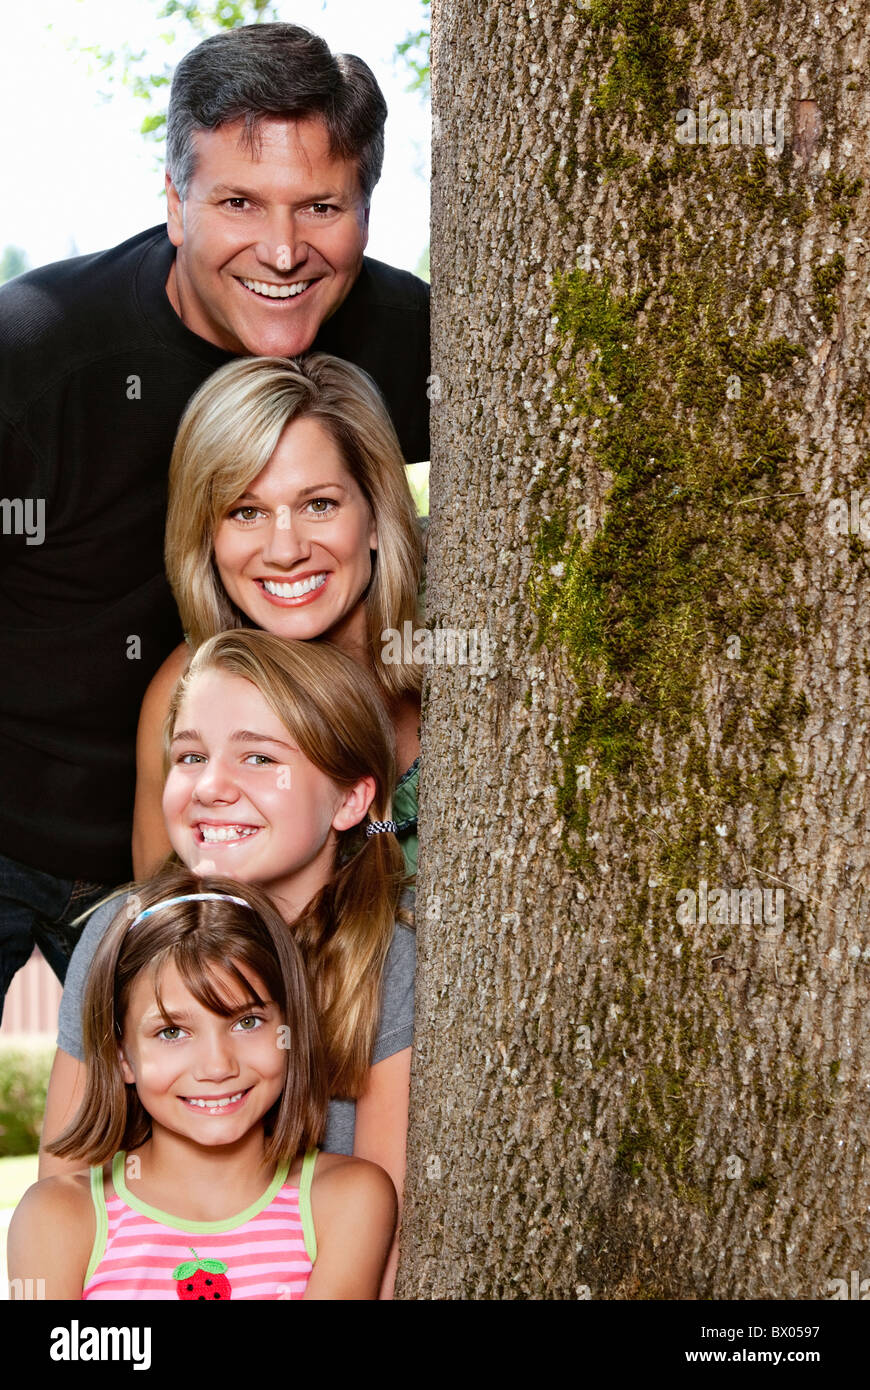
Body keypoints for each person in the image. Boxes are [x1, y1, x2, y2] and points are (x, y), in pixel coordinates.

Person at [0, 21, 429, 1016]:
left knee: (190, 1130)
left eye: (321, 206)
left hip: (191, 835)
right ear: (175, 203)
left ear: (365, 209)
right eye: (239, 202)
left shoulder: (420, 341)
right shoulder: (37, 354)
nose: (282, 250)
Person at [41, 630, 414, 1298]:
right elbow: (66, 1190)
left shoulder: (389, 962)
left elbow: (384, 1261)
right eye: (189, 756)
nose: (211, 786)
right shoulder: (118, 934)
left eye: (258, 757)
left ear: (351, 799)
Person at [9, 868, 397, 1299]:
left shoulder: (348, 1201)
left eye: (247, 1022)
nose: (216, 1066)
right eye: (172, 1032)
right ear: (122, 1056)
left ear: (292, 1033)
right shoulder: (57, 1216)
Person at [134, 352, 423, 880]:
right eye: (247, 512)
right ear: (206, 538)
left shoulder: (457, 636)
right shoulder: (183, 693)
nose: (285, 550)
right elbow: (167, 932)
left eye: (319, 505)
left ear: (377, 516)